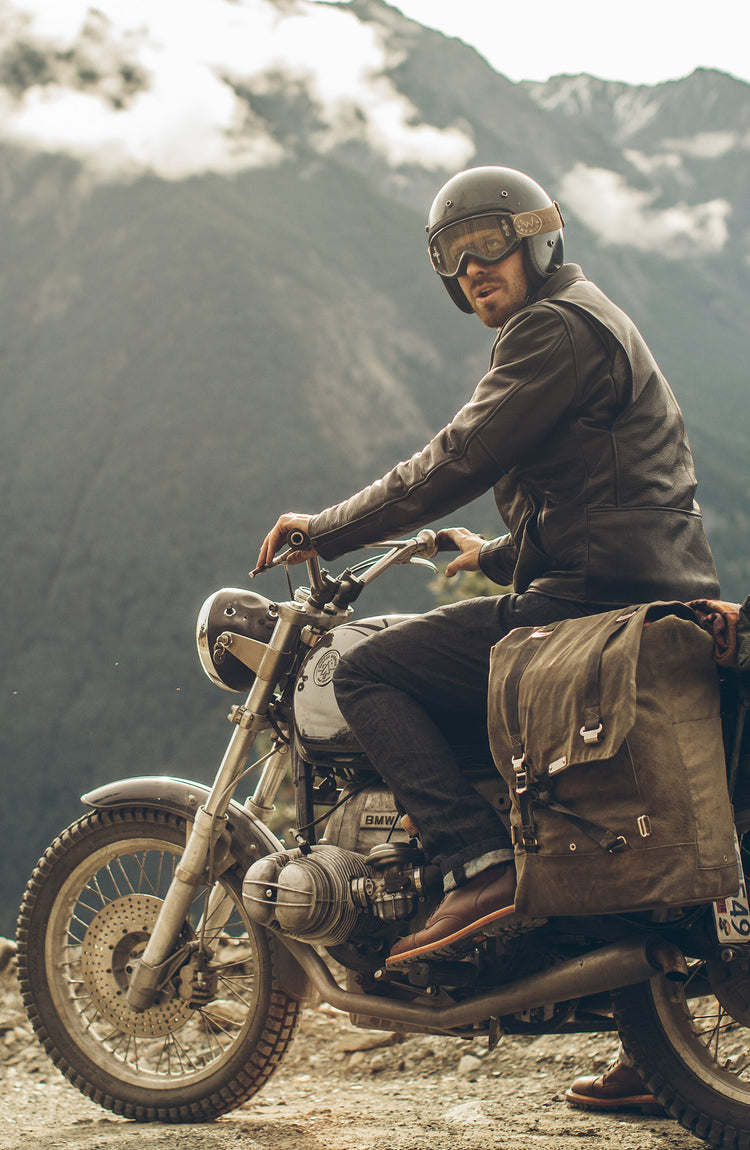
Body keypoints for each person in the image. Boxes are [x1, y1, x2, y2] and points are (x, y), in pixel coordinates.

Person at [258, 165, 720, 1108]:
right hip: (637, 587)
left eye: (488, 241)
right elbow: (613, 492)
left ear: (537, 239)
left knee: (375, 672)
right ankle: (659, 1047)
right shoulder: (589, 318)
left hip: (583, 608)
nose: (471, 266)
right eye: (450, 255)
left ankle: (474, 864)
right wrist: (497, 554)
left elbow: (456, 457)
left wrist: (326, 529)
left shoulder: (549, 331)